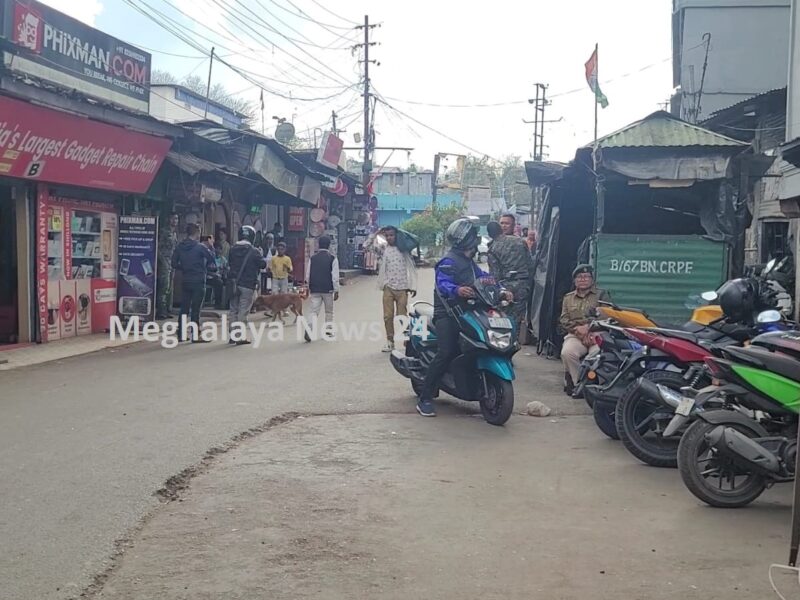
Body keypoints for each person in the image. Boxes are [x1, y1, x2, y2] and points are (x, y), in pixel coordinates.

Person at [416, 218, 511, 418]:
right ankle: (424, 397)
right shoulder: (448, 261)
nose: (477, 240)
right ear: (465, 239)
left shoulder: (469, 262)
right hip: (447, 314)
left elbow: (487, 279)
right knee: (447, 351)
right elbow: (443, 284)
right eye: (473, 236)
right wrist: (457, 289)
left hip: (468, 311)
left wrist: (502, 290)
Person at [365, 226, 418, 352]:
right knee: (388, 316)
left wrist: (413, 286)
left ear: (396, 236)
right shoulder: (383, 249)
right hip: (388, 287)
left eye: (391, 235)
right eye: (387, 235)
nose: (389, 238)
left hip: (403, 288)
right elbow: (366, 246)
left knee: (402, 316)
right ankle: (390, 341)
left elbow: (412, 268)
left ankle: (408, 339)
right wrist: (376, 233)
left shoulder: (404, 250)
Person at [559, 264, 610, 395]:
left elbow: (608, 316)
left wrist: (589, 328)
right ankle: (579, 385)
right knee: (567, 353)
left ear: (592, 280)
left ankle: (598, 385)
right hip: (576, 335)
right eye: (579, 277)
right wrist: (578, 331)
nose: (583, 279)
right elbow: (564, 320)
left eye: (586, 277)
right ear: (575, 280)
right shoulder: (568, 298)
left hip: (597, 334)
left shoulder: (602, 295)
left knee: (598, 355)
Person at [487, 219, 532, 338]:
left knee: (503, 319)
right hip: (523, 285)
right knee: (517, 319)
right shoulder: (519, 241)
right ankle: (515, 341)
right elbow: (530, 264)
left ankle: (504, 344)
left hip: (506, 288)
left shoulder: (493, 248)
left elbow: (494, 275)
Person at [172, 224, 216, 342]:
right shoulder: (200, 247)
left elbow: (173, 263)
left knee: (184, 308)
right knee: (196, 309)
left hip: (186, 279)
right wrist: (211, 246)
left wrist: (185, 267)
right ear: (197, 233)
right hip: (199, 280)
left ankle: (181, 334)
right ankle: (195, 335)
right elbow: (212, 259)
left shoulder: (180, 246)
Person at [228, 225, 267, 345]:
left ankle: (233, 335)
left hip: (233, 284)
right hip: (247, 285)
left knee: (233, 310)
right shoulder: (254, 251)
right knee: (243, 311)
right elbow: (263, 265)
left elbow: (230, 263)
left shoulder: (232, 249)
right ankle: (239, 336)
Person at [304, 235, 340, 342]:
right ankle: (328, 330)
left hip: (315, 288)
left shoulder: (313, 258)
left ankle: (309, 327)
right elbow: (335, 276)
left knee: (313, 311)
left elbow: (308, 275)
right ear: (329, 246)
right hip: (328, 289)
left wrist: (308, 286)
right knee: (329, 311)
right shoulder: (333, 258)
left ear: (318, 244)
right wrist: (336, 290)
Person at [156, 212, 179, 319]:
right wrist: (163, 261)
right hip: (164, 262)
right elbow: (158, 248)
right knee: (164, 286)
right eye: (173, 218)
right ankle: (161, 311)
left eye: (176, 219)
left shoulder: (174, 233)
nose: (175, 221)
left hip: (172, 262)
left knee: (170, 287)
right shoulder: (164, 232)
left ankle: (167, 309)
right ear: (168, 219)